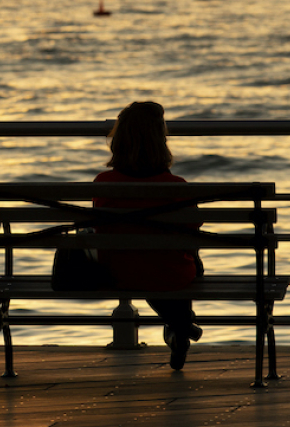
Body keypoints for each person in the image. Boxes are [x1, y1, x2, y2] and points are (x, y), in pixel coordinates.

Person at [92, 101, 204, 370]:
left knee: (142, 262)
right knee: (176, 263)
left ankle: (180, 325)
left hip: (116, 272)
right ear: (161, 142)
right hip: (171, 274)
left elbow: (101, 229)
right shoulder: (177, 186)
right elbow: (193, 232)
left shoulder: (104, 183)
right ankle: (180, 324)